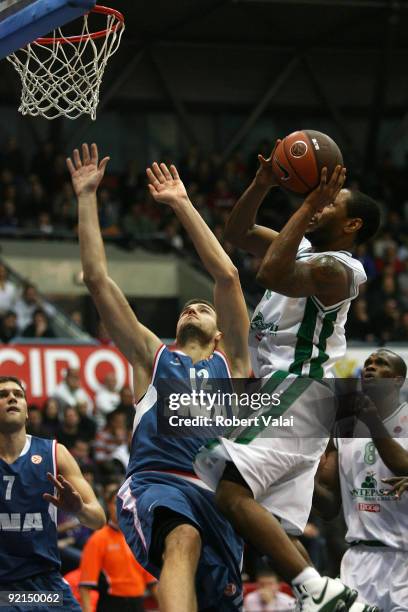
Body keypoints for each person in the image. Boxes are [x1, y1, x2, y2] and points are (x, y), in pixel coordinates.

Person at [194, 144, 382, 611]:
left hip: (297, 388)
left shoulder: (341, 270)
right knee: (275, 527)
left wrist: (304, 206)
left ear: (352, 225)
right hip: (294, 396)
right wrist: (262, 185)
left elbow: (271, 272)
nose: (322, 203)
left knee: (230, 494)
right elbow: (236, 232)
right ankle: (337, 599)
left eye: (332, 203)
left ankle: (316, 590)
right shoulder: (302, 244)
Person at [68, 143, 250, 612]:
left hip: (220, 499)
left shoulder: (233, 366)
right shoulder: (152, 358)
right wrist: (86, 197)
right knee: (182, 537)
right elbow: (97, 280)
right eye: (189, 307)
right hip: (158, 483)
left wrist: (182, 204)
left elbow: (227, 276)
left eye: (204, 308)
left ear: (218, 335)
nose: (196, 307)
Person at [0, 375, 106, 611]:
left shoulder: (55, 453)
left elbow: (98, 519)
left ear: (27, 412)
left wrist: (78, 509)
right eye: (3, 395)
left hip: (45, 587)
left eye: (18, 395)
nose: (11, 398)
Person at [314, 349, 408, 612]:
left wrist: (373, 422)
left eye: (380, 364)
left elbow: (404, 466)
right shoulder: (343, 429)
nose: (370, 367)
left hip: (403, 558)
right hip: (358, 560)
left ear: (398, 380)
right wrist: (303, 474)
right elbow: (329, 507)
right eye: (367, 363)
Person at [79, 487, 157, 612]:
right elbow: (85, 586)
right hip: (111, 604)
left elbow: (153, 583)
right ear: (108, 506)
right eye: (116, 503)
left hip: (138, 604)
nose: (121, 507)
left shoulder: (139, 537)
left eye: (125, 502)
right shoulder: (98, 539)